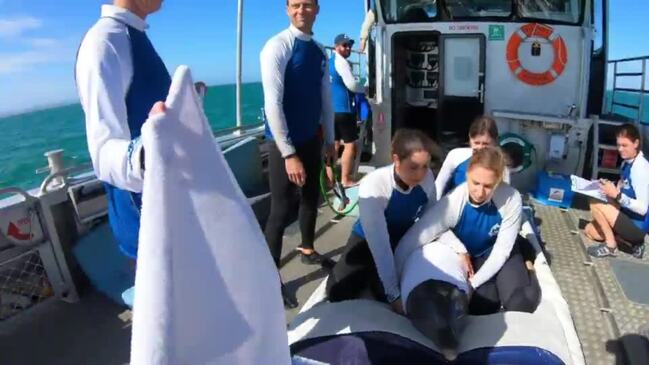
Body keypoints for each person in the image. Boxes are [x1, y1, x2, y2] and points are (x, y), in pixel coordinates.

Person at [326, 129, 463, 314]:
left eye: (425, 166)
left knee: (384, 291)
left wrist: (459, 249)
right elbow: (380, 244)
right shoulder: (374, 185)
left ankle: (376, 278)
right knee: (337, 292)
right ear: (396, 160)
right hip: (368, 239)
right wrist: (393, 294)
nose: (421, 174)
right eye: (413, 167)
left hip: (404, 237)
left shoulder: (428, 177)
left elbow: (433, 221)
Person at [75, 0, 172, 259]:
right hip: (146, 222)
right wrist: (148, 147)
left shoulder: (134, 35)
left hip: (172, 213)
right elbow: (103, 153)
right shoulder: (105, 42)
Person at [397, 146, 540, 318]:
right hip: (474, 257)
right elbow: (415, 237)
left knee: (521, 304)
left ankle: (529, 264)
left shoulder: (511, 198)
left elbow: (501, 252)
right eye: (475, 183)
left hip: (501, 251)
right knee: (482, 308)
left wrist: (472, 284)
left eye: (488, 186)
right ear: (467, 175)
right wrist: (394, 289)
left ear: (498, 182)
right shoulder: (454, 201)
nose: (480, 192)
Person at [260, 0, 336, 308]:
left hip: (310, 139)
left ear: (317, 9)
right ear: (287, 9)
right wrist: (288, 153)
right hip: (284, 145)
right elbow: (272, 104)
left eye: (307, 5)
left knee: (310, 198)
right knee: (280, 210)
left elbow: (325, 99)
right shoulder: (277, 46)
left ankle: (307, 250)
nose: (300, 10)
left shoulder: (319, 50)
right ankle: (269, 278)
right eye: (294, 5)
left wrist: (330, 139)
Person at [585, 123, 649, 259]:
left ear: (636, 143)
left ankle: (611, 246)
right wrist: (607, 185)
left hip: (637, 226)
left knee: (595, 202)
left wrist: (617, 195)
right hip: (624, 214)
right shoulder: (626, 162)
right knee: (590, 231)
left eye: (624, 145)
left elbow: (643, 209)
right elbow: (623, 186)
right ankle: (627, 241)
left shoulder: (641, 169)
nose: (620, 149)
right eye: (618, 145)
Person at [435, 115, 510, 196]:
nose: (480, 148)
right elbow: (438, 186)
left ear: (495, 142)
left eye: (486, 144)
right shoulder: (456, 156)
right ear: (470, 138)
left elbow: (504, 196)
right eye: (476, 143)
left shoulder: (502, 168)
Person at [329, 33, 366, 187]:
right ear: (336, 47)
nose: (348, 48)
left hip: (329, 111)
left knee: (334, 145)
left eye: (350, 45)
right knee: (350, 145)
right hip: (344, 111)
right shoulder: (342, 62)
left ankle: (330, 182)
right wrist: (365, 89)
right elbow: (351, 85)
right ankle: (345, 180)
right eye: (344, 45)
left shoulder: (328, 62)